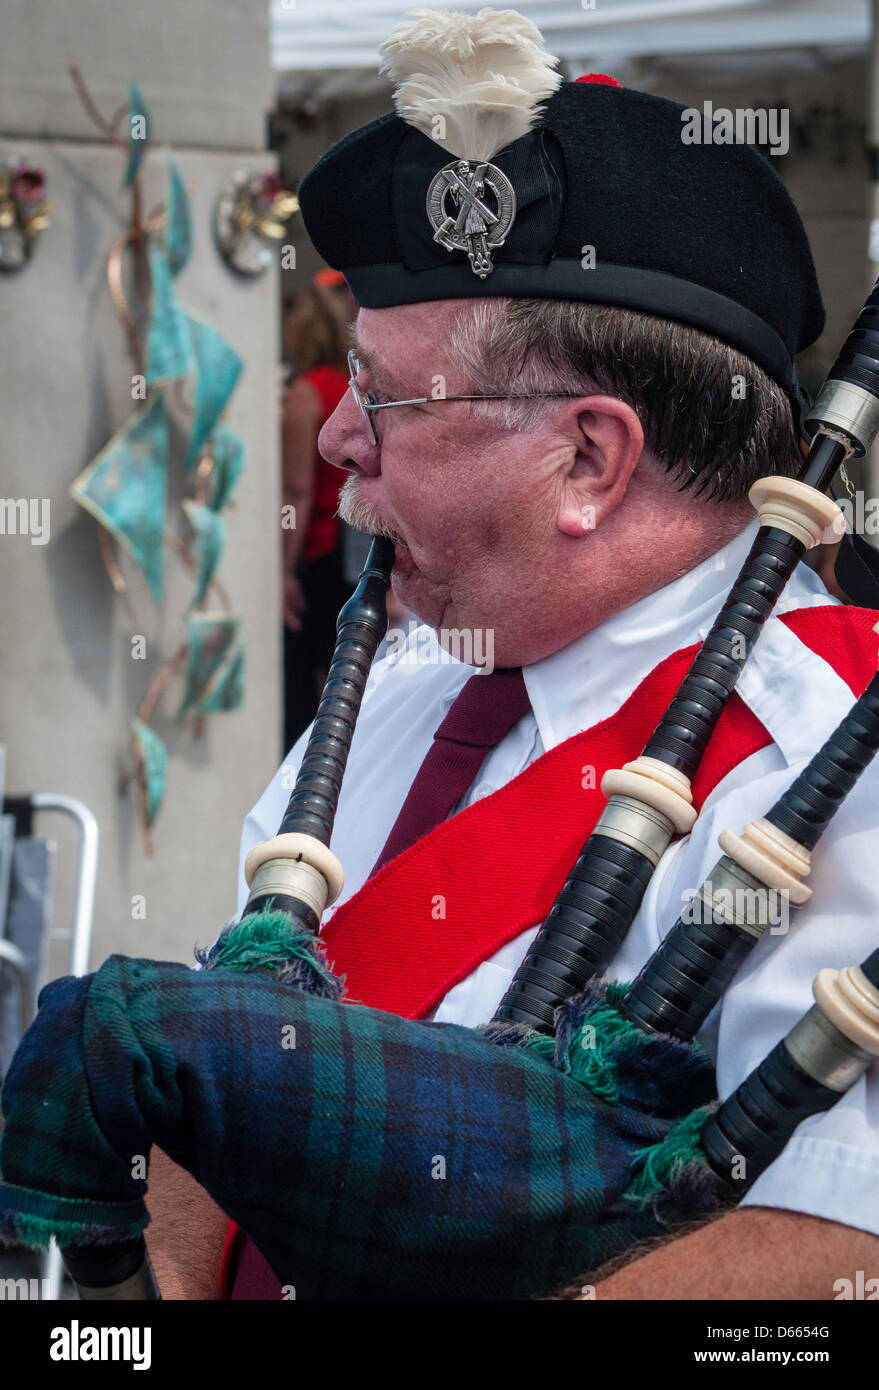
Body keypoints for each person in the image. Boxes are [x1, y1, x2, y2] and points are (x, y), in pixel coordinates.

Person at [145, 8, 879, 1299]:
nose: (335, 448)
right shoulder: (402, 680)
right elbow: (230, 1057)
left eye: (386, 398)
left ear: (588, 460)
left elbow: (832, 1250)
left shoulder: (828, 760)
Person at [281, 272, 356, 749]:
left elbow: (295, 491)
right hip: (355, 553)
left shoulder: (305, 393)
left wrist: (282, 571)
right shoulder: (356, 387)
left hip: (318, 557)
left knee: (302, 686)